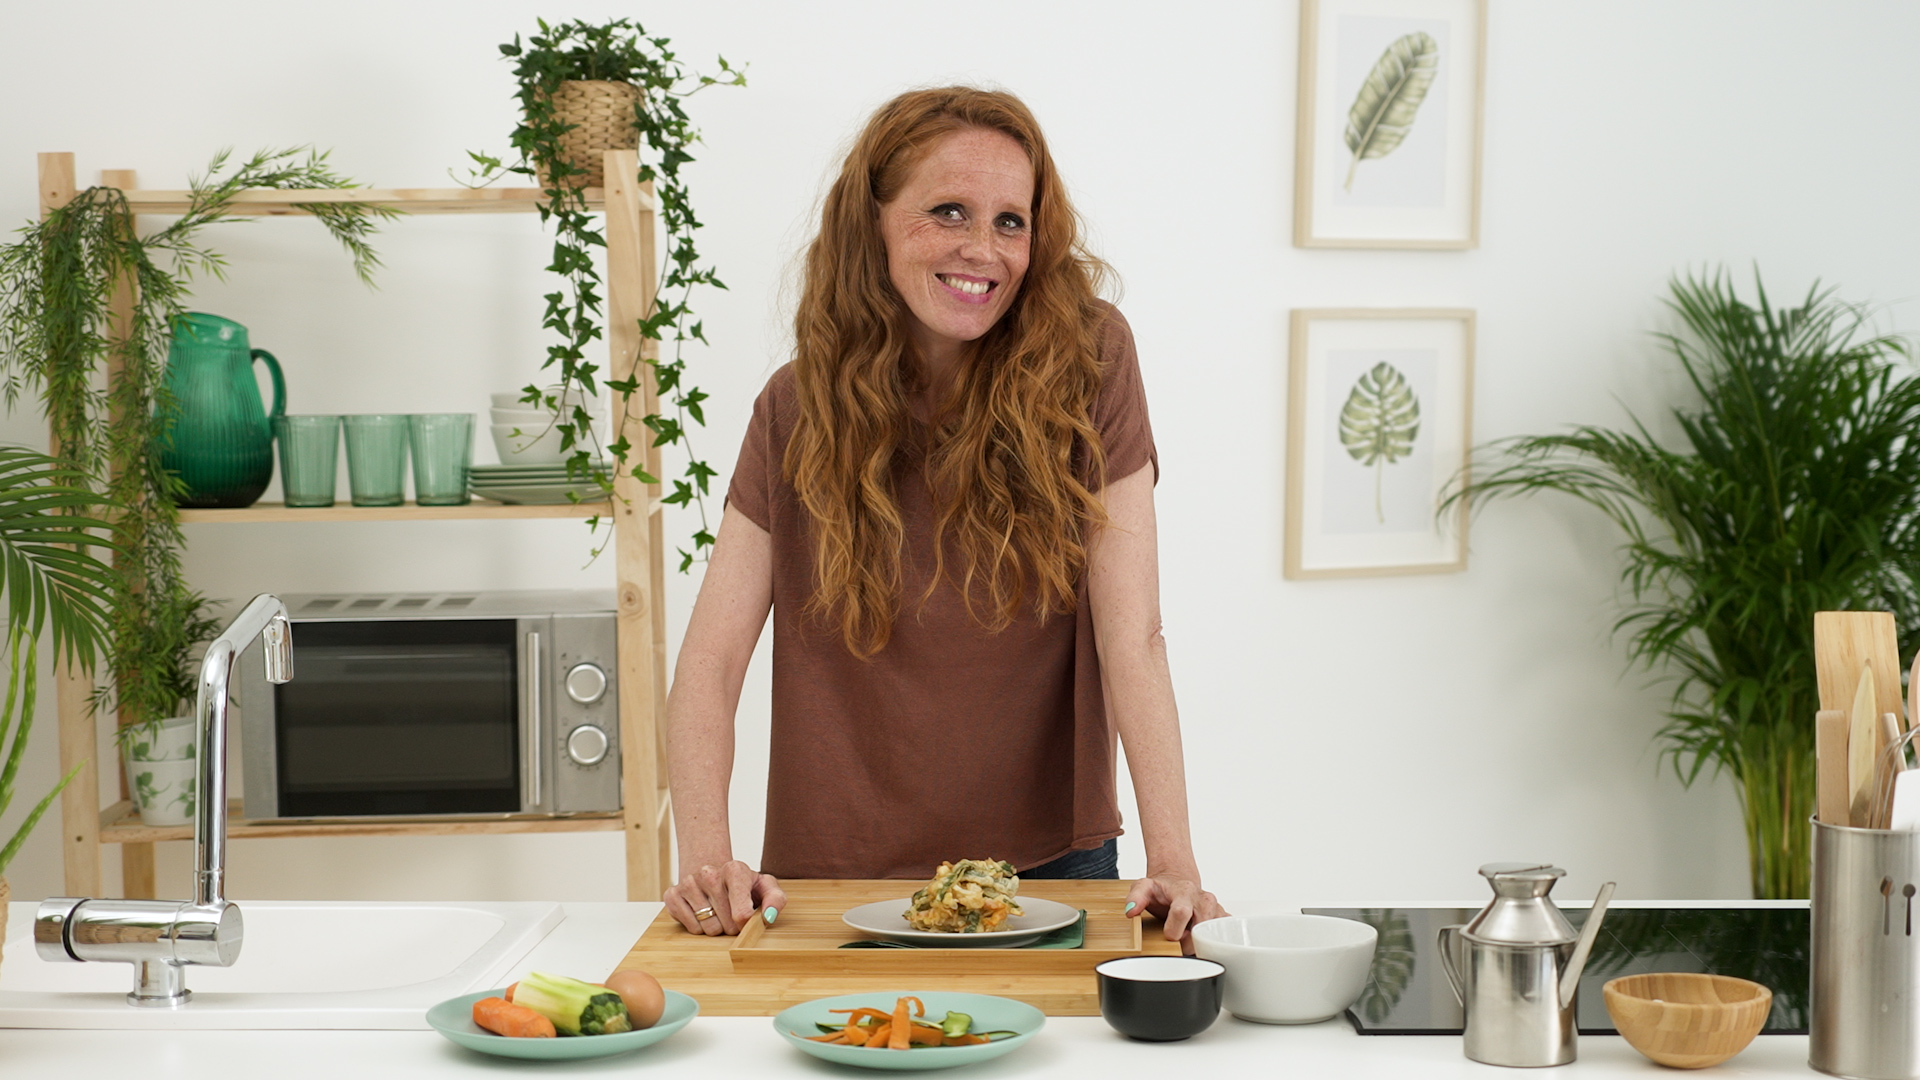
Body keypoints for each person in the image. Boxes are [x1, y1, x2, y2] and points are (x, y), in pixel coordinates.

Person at [662, 86, 1226, 949]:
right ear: (874, 222)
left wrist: (1175, 861)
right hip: (829, 877)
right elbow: (711, 659)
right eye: (949, 211)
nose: (983, 250)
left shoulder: (1090, 362)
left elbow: (1135, 635)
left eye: (1011, 221)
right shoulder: (794, 408)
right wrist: (706, 859)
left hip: (1052, 867)